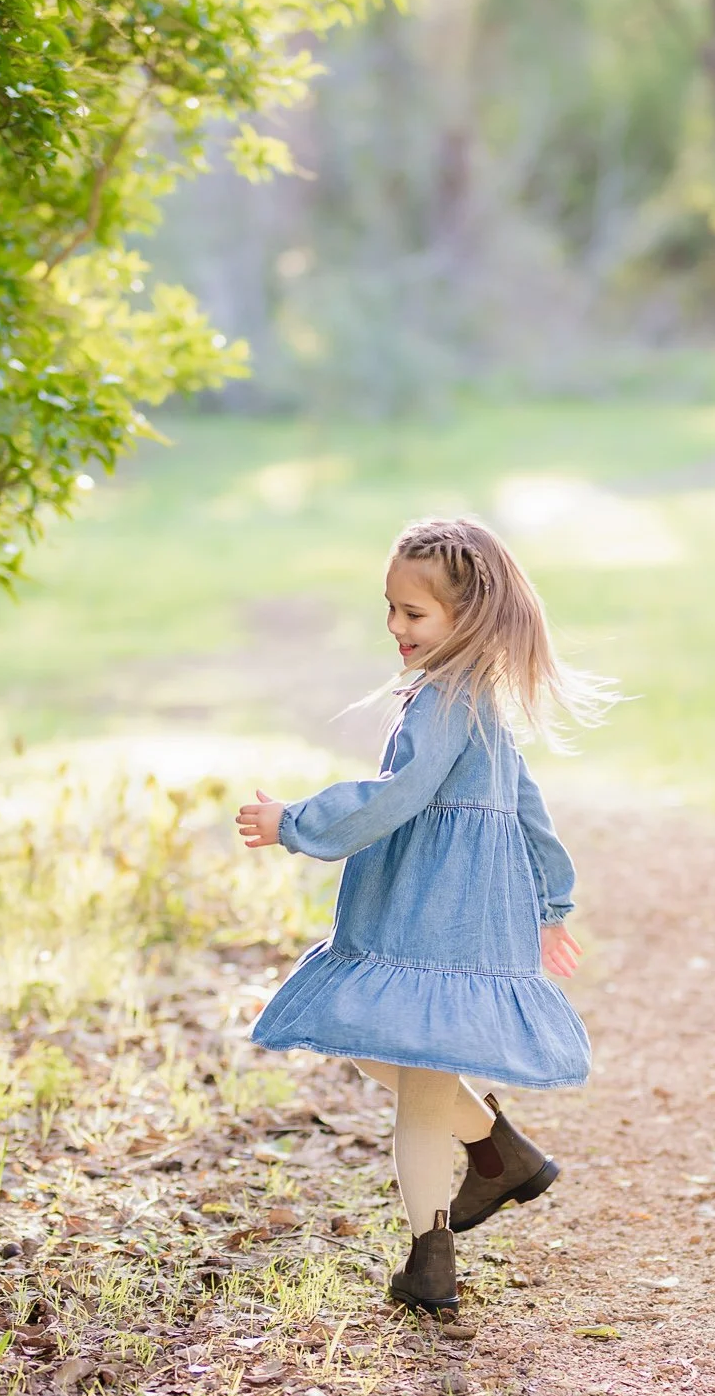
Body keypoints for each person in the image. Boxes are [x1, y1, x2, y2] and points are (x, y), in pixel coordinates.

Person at [235, 516, 612, 1318]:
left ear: (465, 616)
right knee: (392, 1056)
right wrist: (550, 903)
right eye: (390, 610)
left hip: (431, 923)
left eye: (414, 614)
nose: (395, 628)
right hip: (432, 919)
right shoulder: (471, 700)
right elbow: (530, 809)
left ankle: (430, 1255)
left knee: (413, 1079)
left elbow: (398, 795)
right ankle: (496, 1153)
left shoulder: (447, 701)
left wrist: (294, 822)